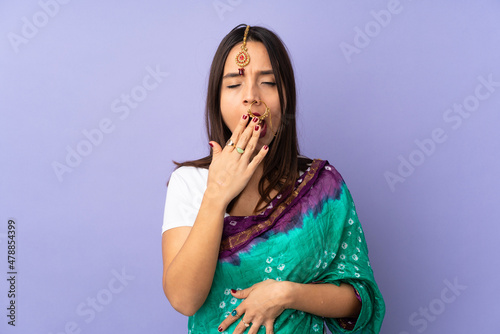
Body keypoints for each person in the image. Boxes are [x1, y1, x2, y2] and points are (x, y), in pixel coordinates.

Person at [161, 24, 385, 334]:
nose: (251, 99)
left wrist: (286, 293)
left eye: (267, 83)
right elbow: (184, 299)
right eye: (234, 85)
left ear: (286, 97)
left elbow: (360, 302)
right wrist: (216, 194)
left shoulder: (322, 186)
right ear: (217, 99)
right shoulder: (190, 182)